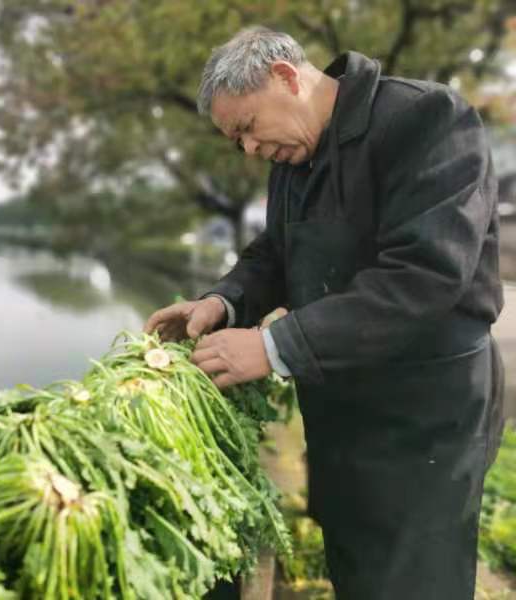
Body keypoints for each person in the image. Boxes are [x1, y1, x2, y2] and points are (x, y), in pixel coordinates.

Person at [143, 27, 505, 599]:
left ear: (287, 78)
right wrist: (223, 301)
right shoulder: (294, 156)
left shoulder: (427, 119)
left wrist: (270, 348)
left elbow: (426, 275)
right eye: (237, 142)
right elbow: (276, 253)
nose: (249, 150)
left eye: (247, 129)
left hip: (424, 414)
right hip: (341, 408)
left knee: (416, 578)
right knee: (356, 565)